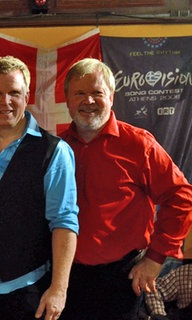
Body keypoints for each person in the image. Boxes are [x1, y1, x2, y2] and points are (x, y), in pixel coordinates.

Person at [58, 58, 192, 320]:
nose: (89, 101)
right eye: (80, 93)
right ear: (67, 100)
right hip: (66, 276)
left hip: (123, 278)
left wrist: (155, 258)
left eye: (97, 93)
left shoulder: (139, 145)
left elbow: (181, 196)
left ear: (111, 96)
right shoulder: (56, 148)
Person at [0, 55, 79, 320]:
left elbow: (64, 223)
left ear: (26, 96)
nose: (5, 102)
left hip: (26, 291)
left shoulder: (53, 152)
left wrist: (59, 289)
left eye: (14, 93)